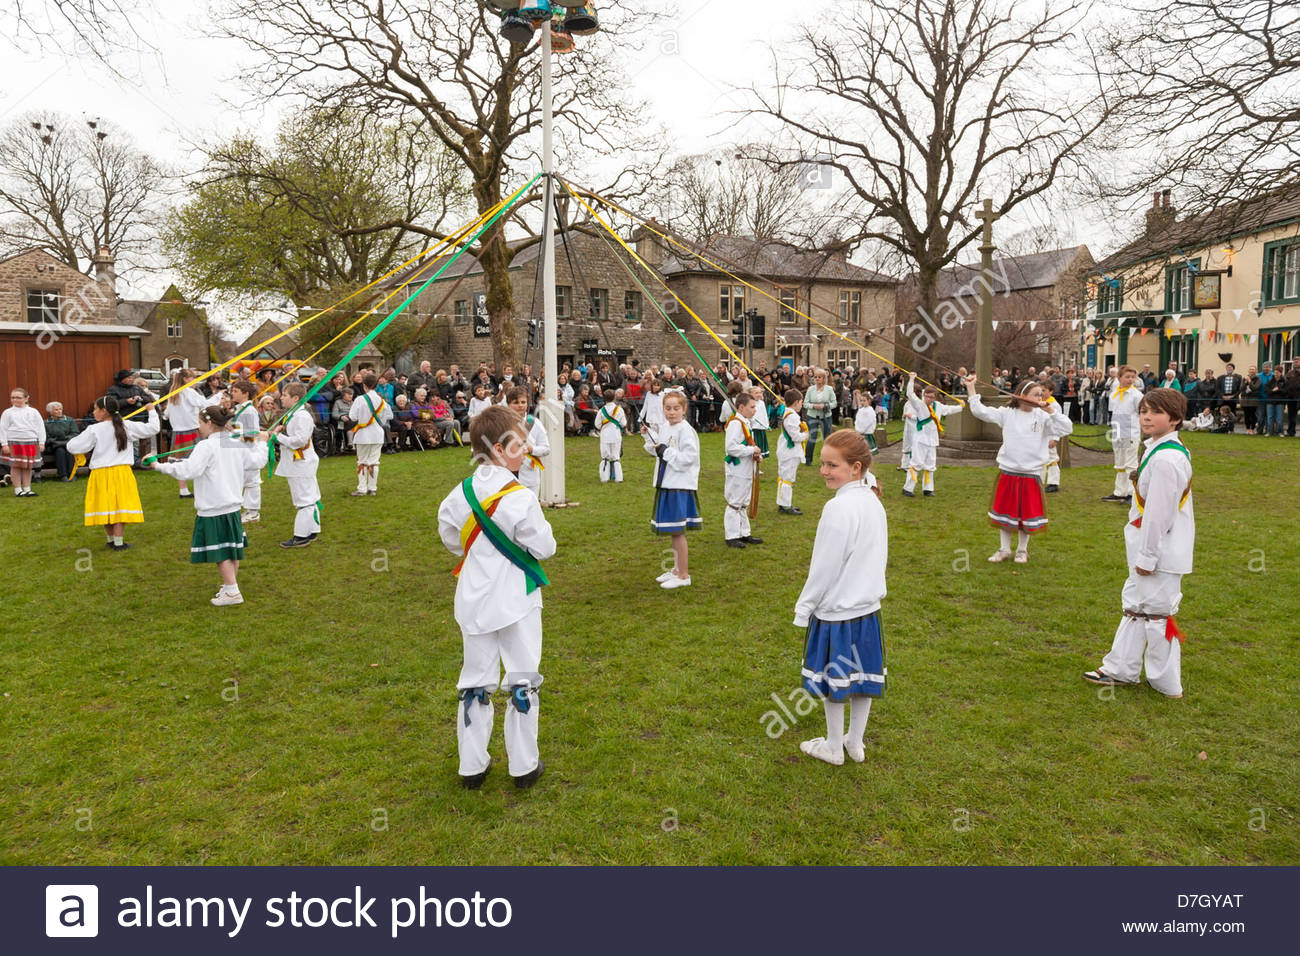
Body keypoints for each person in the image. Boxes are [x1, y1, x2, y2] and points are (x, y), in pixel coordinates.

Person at [437, 405, 556, 789]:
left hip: (473, 599)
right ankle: (524, 766)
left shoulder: (457, 495)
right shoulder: (520, 497)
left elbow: (452, 541)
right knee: (522, 676)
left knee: (474, 680)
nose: (527, 451)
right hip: (516, 600)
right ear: (501, 450)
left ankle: (471, 766)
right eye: (521, 445)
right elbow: (545, 546)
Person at [1084, 388, 1194, 699]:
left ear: (1174, 419)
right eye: (1144, 410)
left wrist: (1147, 557)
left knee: (1157, 615)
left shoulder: (1166, 460)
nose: (1146, 416)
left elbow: (1158, 514)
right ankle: (1121, 667)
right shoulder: (1159, 451)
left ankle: (1166, 682)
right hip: (1149, 546)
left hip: (1160, 550)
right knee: (1135, 606)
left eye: (1156, 412)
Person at [793, 428, 888, 765]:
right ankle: (854, 743)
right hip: (867, 609)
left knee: (837, 681)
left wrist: (804, 607)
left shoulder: (839, 509)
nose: (823, 472)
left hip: (837, 612)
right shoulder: (873, 501)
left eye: (832, 465)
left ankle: (836, 745)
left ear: (856, 468)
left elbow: (824, 567)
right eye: (822, 464)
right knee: (860, 678)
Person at [151, 405, 270, 606]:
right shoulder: (235, 442)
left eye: (199, 423)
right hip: (231, 505)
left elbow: (188, 471)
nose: (197, 427)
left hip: (214, 506)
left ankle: (232, 592)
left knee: (222, 551)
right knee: (231, 548)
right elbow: (257, 460)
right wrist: (262, 443)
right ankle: (230, 585)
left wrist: (159, 465)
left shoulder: (207, 446)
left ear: (208, 423)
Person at [966, 376, 1073, 565]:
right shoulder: (1007, 413)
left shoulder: (1043, 416)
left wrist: (1051, 411)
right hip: (1009, 470)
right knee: (1005, 512)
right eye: (1035, 395)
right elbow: (980, 411)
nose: (1039, 398)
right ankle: (1004, 549)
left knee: (1026, 514)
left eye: (1041, 395)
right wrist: (971, 388)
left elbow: (1067, 427)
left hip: (1032, 473)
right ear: (1022, 395)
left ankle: (1022, 550)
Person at [66, 396, 160, 550]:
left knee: (106, 506)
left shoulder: (95, 429)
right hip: (121, 473)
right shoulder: (126, 426)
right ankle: (117, 542)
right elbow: (153, 428)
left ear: (104, 412)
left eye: (95, 409)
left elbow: (72, 446)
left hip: (101, 474)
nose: (93, 412)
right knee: (118, 506)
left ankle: (113, 540)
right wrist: (151, 411)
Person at [643, 391, 701, 588]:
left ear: (684, 409)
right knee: (673, 531)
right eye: (668, 408)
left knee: (678, 531)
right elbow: (657, 449)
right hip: (666, 483)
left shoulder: (686, 430)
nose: (671, 412)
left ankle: (684, 575)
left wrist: (665, 451)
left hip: (679, 485)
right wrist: (648, 439)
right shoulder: (665, 427)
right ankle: (676, 570)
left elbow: (688, 458)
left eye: (676, 408)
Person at [272, 383, 322, 548]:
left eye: (285, 395)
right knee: (309, 496)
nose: (281, 398)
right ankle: (312, 530)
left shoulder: (301, 416)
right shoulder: (294, 414)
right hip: (298, 462)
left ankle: (301, 536)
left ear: (295, 398)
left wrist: (277, 437)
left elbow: (299, 441)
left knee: (304, 499)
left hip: (301, 462)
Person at [902, 373, 963, 497]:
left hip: (932, 440)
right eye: (927, 396)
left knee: (930, 464)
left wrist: (961, 406)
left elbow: (949, 409)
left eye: (931, 397)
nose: (929, 399)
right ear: (924, 395)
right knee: (916, 463)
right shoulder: (919, 405)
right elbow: (910, 395)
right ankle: (908, 489)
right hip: (920, 440)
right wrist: (912, 379)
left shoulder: (938, 406)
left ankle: (928, 489)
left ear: (935, 398)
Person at [163, 369, 221, 499]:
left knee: (180, 461)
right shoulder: (188, 392)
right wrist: (219, 396)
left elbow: (166, 415)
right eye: (192, 378)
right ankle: (199, 488)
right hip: (191, 430)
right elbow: (205, 404)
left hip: (178, 432)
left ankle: (183, 490)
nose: (194, 381)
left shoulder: (173, 394)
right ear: (185, 379)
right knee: (199, 459)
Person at [723, 391, 763, 549]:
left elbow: (745, 444)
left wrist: (754, 454)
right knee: (735, 501)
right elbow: (731, 447)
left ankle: (744, 533)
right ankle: (731, 535)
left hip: (746, 469)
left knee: (744, 501)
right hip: (737, 470)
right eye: (752, 407)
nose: (755, 410)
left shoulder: (745, 422)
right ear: (741, 407)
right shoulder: (735, 423)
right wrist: (751, 450)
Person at [348, 371, 393, 497]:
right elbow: (387, 417)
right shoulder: (382, 401)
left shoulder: (359, 399)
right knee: (374, 461)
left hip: (363, 435)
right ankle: (372, 488)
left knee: (362, 461)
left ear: (364, 385)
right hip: (377, 434)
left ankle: (362, 488)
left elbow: (352, 416)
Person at [1103, 365, 1143, 502]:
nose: (1130, 380)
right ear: (1119, 378)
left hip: (1130, 431)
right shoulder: (1115, 393)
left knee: (1130, 463)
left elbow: (1141, 413)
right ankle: (1120, 491)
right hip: (1118, 430)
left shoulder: (1136, 395)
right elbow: (1114, 412)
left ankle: (1132, 493)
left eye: (1132, 377)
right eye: (1127, 377)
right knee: (1119, 462)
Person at [228, 380, 264, 523]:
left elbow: (253, 434)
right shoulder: (239, 409)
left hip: (249, 450)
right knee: (243, 480)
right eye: (232, 391)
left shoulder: (249, 410)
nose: (232, 393)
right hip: (240, 449)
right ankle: (247, 509)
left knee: (252, 482)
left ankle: (253, 512)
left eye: (235, 391)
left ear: (246, 394)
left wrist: (232, 430)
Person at [1, 388, 46, 497]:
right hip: (14, 441)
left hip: (31, 441)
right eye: (13, 397)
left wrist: (41, 442)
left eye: (18, 397)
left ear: (26, 398)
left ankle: (27, 488)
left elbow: (40, 427)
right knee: (16, 465)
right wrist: (4, 444)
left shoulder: (33, 412)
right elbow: (2, 428)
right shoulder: (8, 412)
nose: (15, 399)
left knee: (28, 466)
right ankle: (18, 490)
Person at [507, 387, 549, 496]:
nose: (520, 405)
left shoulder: (535, 423)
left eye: (523, 402)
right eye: (516, 402)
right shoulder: (501, 424)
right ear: (508, 404)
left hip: (530, 474)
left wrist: (531, 449)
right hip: (507, 475)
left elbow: (546, 449)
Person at [776, 388, 808, 515]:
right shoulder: (792, 416)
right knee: (787, 477)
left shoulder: (788, 413)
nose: (802, 404)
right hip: (790, 452)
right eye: (801, 402)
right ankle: (785, 505)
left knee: (784, 476)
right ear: (795, 402)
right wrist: (805, 433)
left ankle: (783, 503)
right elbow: (795, 437)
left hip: (786, 450)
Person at [802, 368, 837, 465]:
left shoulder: (829, 389)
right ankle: (808, 460)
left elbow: (834, 403)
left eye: (819, 377)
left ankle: (826, 461)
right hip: (812, 416)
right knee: (812, 438)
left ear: (824, 378)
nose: (817, 379)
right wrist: (814, 406)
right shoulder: (810, 389)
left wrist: (825, 406)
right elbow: (805, 404)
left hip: (826, 416)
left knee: (827, 439)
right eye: (815, 377)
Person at [596, 388, 627, 483]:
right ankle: (618, 478)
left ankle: (604, 477)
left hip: (605, 436)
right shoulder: (619, 410)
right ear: (614, 397)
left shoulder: (601, 410)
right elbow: (623, 423)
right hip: (616, 435)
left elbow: (597, 424)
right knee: (616, 456)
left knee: (605, 457)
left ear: (604, 398)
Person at [44, 401, 81, 481]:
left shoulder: (69, 420)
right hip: (54, 445)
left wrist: (66, 439)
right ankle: (63, 475)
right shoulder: (46, 423)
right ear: (50, 412)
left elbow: (75, 433)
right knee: (60, 451)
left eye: (60, 409)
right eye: (56, 410)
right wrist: (55, 441)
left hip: (68, 443)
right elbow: (45, 437)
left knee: (70, 450)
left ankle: (72, 474)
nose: (59, 411)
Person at [331, 387, 355, 452]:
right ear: (343, 395)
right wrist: (341, 417)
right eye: (349, 394)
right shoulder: (338, 402)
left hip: (352, 420)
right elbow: (334, 414)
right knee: (349, 422)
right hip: (341, 421)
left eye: (351, 394)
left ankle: (351, 443)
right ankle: (350, 443)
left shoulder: (353, 403)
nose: (351, 396)